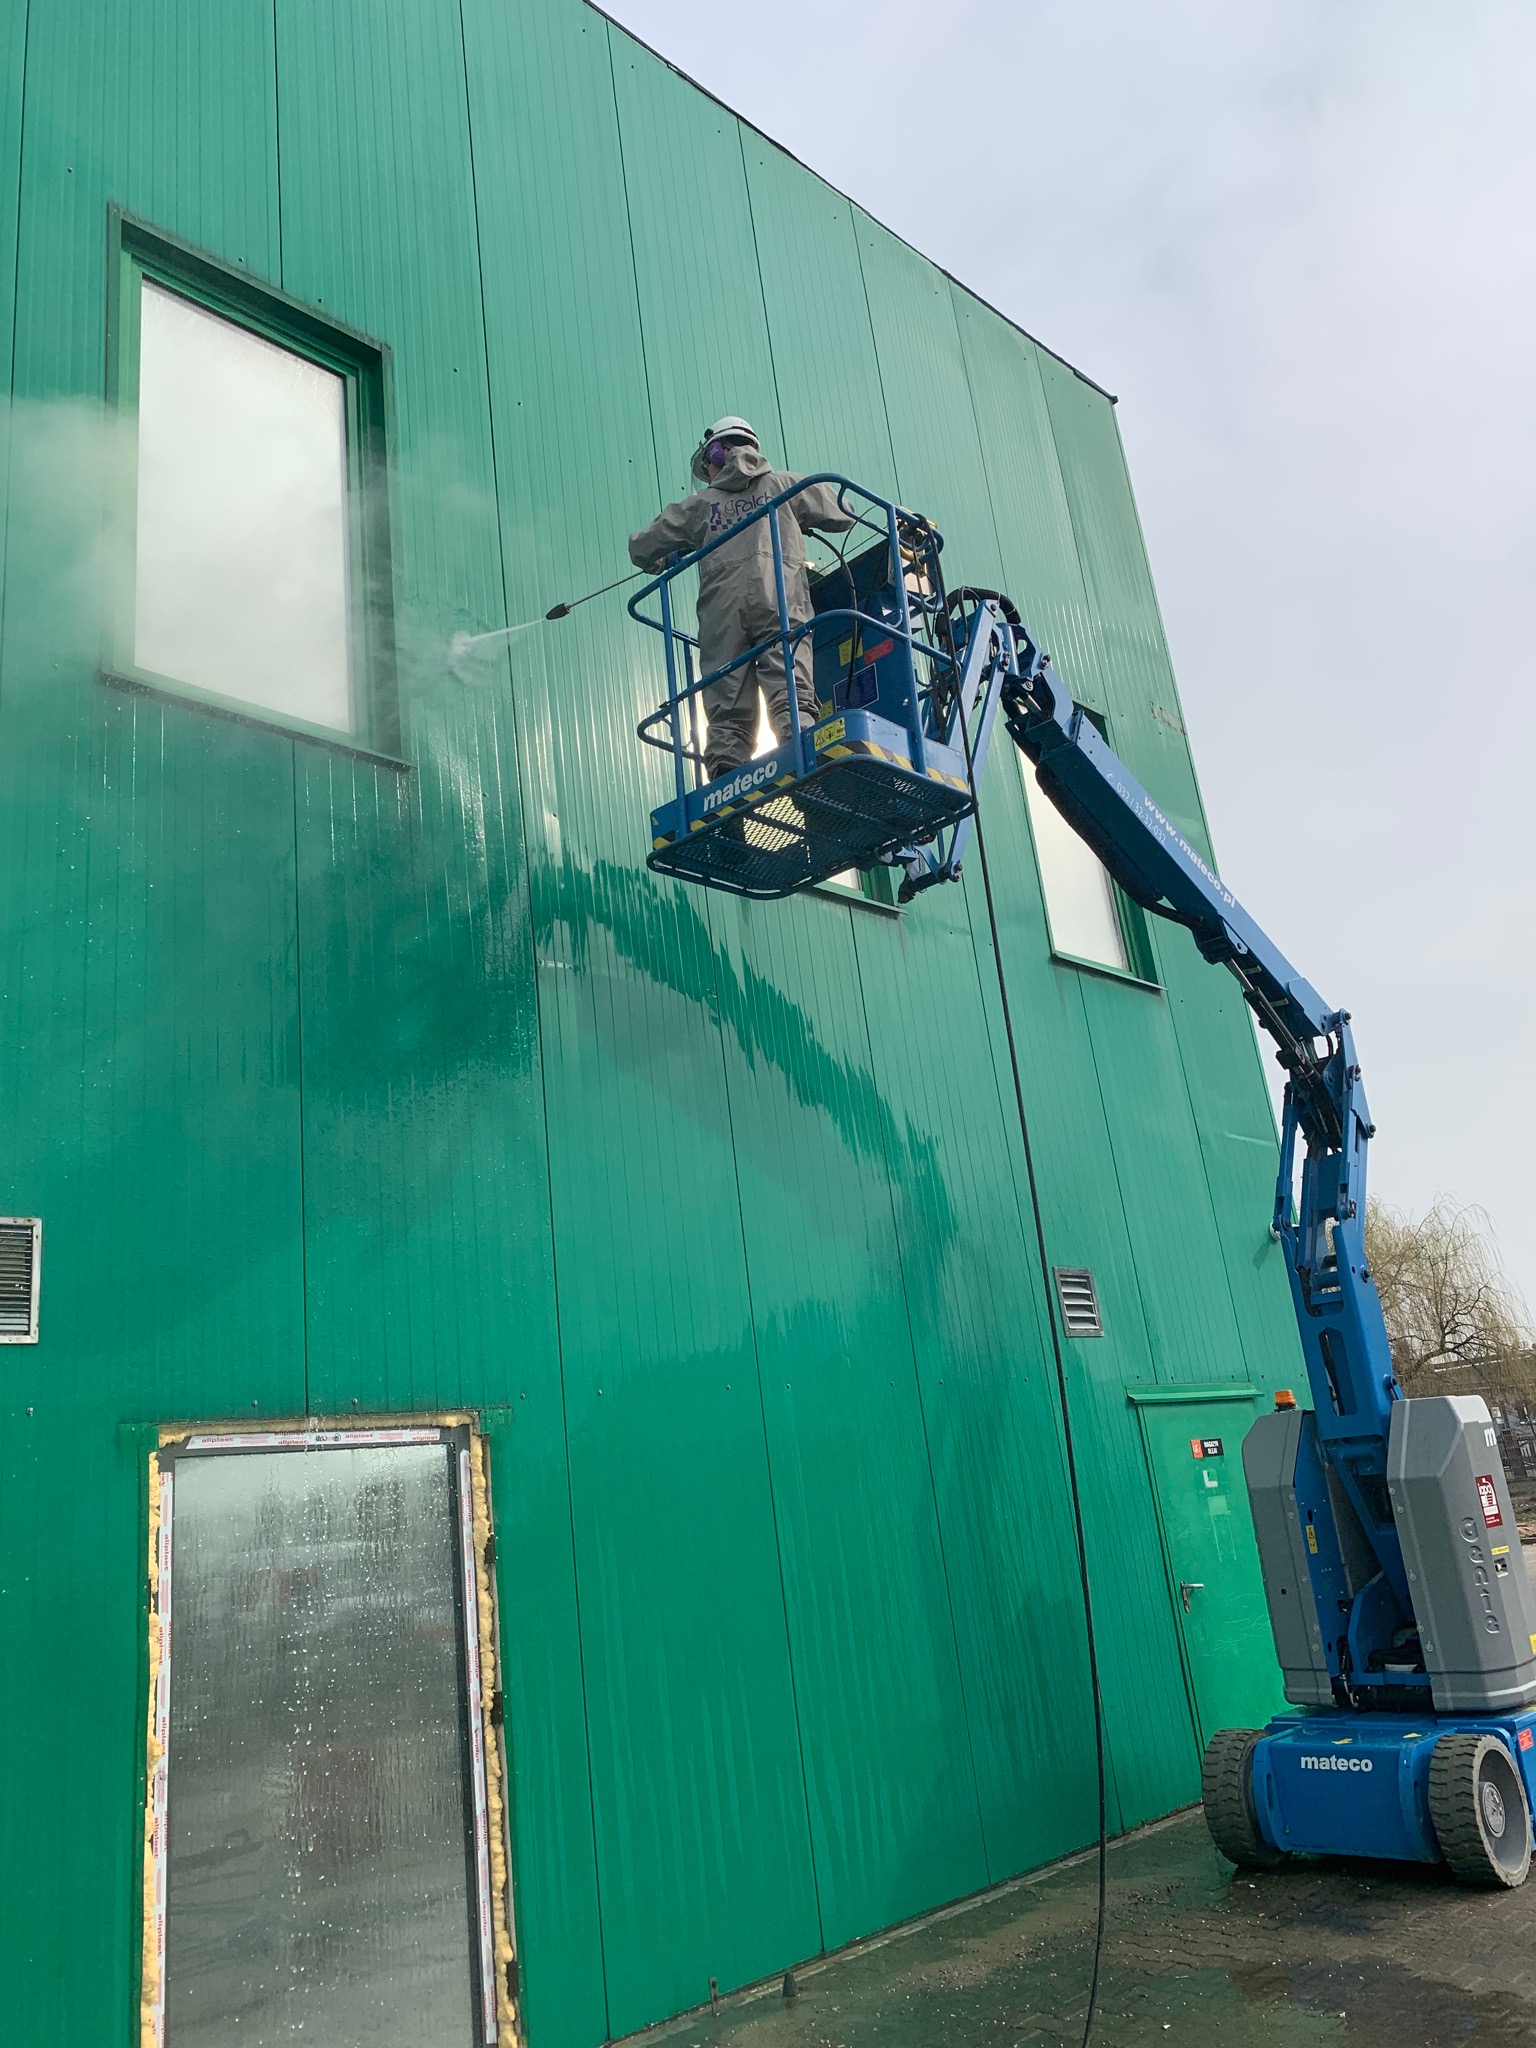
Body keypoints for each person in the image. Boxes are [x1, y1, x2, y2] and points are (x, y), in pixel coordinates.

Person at [628, 418, 856, 781]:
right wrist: (796, 521)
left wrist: (665, 556)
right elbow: (844, 512)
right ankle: (802, 752)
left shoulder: (700, 506)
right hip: (779, 603)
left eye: (708, 463)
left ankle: (724, 779)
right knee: (788, 681)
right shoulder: (786, 485)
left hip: (723, 617)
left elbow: (640, 547)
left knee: (727, 700)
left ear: (717, 452)